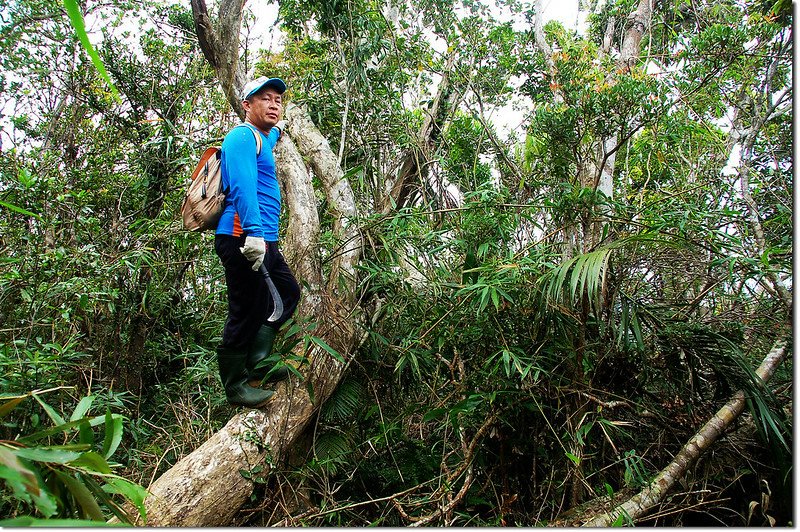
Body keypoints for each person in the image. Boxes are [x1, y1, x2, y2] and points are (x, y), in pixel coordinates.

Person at [214, 76, 301, 408]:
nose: (274, 104)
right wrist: (252, 233)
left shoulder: (266, 137)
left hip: (265, 238)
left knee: (287, 294)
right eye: (265, 98)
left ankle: (258, 361)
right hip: (242, 235)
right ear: (247, 105)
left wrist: (282, 128)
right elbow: (243, 186)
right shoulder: (240, 137)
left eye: (278, 99)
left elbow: (275, 132)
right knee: (246, 309)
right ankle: (235, 387)